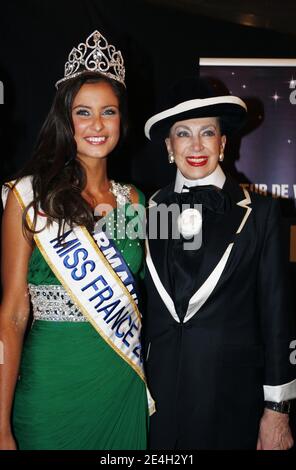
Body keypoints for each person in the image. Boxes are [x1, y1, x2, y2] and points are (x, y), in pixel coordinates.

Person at [0, 30, 153, 450]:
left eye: (109, 112)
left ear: (123, 118)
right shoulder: (27, 197)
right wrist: (0, 426)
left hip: (120, 385)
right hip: (51, 386)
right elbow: (12, 315)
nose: (97, 125)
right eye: (83, 112)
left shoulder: (135, 201)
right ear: (65, 119)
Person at [143, 76, 296, 450]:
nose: (195, 146)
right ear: (169, 145)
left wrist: (277, 410)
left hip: (230, 407)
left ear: (222, 143)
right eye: (183, 134)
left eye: (207, 133)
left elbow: (279, 318)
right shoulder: (144, 210)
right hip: (153, 407)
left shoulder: (261, 214)